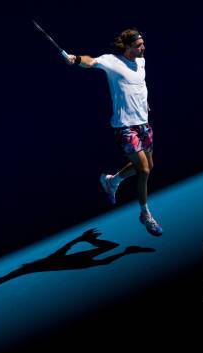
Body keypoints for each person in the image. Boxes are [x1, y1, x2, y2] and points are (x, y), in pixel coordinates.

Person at [65, 29, 163, 236]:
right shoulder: (112, 61)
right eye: (138, 45)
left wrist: (145, 104)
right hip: (125, 127)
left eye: (142, 44)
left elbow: (139, 85)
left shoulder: (141, 61)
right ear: (127, 47)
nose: (142, 48)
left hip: (144, 124)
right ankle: (145, 214)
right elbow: (90, 62)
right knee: (144, 170)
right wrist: (76, 59)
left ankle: (112, 180)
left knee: (147, 166)